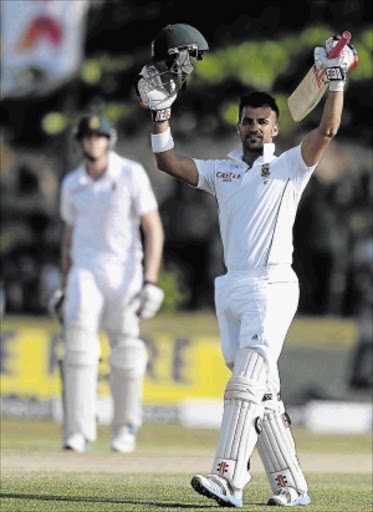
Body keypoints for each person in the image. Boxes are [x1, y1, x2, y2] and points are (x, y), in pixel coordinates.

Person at [136, 30, 357, 507]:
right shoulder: (223, 171)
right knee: (264, 395)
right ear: (238, 127)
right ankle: (291, 486)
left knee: (243, 386)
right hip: (232, 289)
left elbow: (327, 131)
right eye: (248, 122)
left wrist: (335, 81)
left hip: (273, 285)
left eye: (264, 122)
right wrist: (160, 115)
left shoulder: (291, 167)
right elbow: (168, 162)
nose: (255, 127)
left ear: (275, 128)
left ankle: (228, 478)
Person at [52, 113, 164, 453]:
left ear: (109, 140)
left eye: (98, 136)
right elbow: (69, 238)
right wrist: (63, 284)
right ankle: (78, 432)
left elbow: (153, 228)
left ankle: (125, 428)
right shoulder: (72, 183)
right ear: (80, 142)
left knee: (127, 349)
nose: (93, 142)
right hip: (85, 270)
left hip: (125, 271)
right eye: (87, 137)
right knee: (78, 345)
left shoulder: (131, 173)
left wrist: (150, 281)